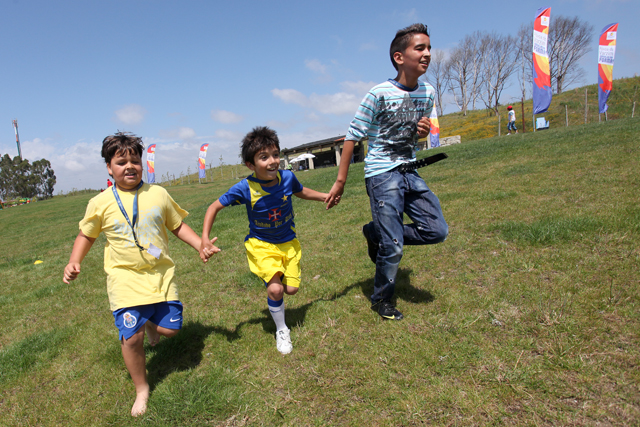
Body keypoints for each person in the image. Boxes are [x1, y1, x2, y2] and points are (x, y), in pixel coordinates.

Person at [62, 132, 219, 417]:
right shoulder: (100, 202)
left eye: (135, 160)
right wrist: (74, 261)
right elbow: (86, 235)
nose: (130, 166)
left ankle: (149, 323)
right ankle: (142, 388)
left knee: (171, 330)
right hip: (123, 278)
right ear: (109, 167)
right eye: (121, 162)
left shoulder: (158, 194)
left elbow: (177, 225)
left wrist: (200, 244)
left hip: (160, 274)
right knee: (131, 337)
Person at [325, 23, 448, 321]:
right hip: (382, 174)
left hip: (410, 169)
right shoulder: (378, 94)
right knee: (393, 248)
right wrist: (340, 181)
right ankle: (382, 301)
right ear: (398, 56)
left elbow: (413, 134)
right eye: (420, 48)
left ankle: (376, 232)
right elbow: (352, 136)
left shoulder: (428, 93)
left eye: (429, 48)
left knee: (436, 230)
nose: (427, 53)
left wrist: (422, 130)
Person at [200, 126, 334, 354]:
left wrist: (325, 197)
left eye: (275, 154)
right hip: (261, 245)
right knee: (275, 290)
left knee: (290, 289)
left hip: (289, 242)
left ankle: (277, 282)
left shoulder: (288, 177)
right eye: (264, 157)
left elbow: (300, 191)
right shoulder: (245, 188)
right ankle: (282, 329)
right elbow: (214, 206)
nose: (272, 161)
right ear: (251, 165)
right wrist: (204, 238)